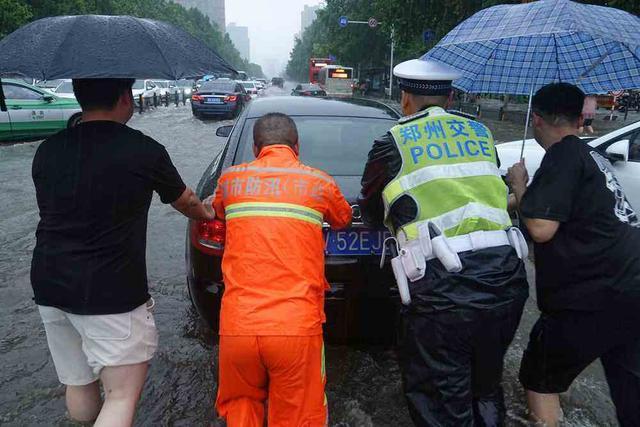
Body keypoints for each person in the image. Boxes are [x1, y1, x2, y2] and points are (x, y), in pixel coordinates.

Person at [31, 78, 214, 426]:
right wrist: (208, 211)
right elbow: (186, 201)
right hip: (110, 291)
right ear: (125, 97)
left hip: (50, 285)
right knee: (121, 396)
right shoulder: (143, 150)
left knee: (78, 381)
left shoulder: (48, 149)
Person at [358, 59, 529, 426]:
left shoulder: (393, 141)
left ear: (404, 98)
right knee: (485, 386)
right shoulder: (480, 133)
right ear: (450, 98)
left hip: (445, 292)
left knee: (440, 399)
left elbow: (372, 207)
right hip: (507, 281)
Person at [506, 82, 640, 427]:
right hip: (631, 286)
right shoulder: (587, 154)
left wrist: (519, 184)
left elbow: (540, 227)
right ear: (580, 118)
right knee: (629, 392)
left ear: (536, 119)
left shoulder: (562, 155)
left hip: (593, 294)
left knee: (539, 374)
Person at [212, 113, 352, 426]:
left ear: (254, 146)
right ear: (297, 146)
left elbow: (218, 210)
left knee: (240, 405)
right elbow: (343, 219)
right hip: (295, 327)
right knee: (298, 414)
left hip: (238, 327)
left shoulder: (231, 180)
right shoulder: (320, 182)